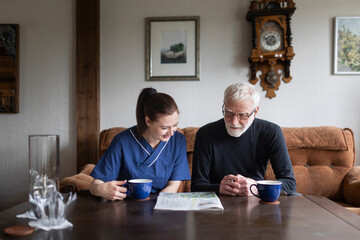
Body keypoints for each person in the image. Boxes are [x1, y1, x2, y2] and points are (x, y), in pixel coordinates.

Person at [191, 83, 296, 196]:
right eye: (229, 113)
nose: (234, 122)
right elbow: (197, 186)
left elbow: (290, 184)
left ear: (255, 112)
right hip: (218, 200)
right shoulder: (205, 134)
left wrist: (257, 187)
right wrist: (219, 188)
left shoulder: (271, 132)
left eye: (242, 115)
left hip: (257, 199)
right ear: (224, 106)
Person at [90, 88, 190, 200]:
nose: (171, 132)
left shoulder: (178, 140)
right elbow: (95, 184)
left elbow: (173, 186)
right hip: (125, 205)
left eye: (175, 125)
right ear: (148, 121)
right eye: (164, 128)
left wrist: (158, 206)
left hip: (161, 203)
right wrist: (100, 189)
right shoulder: (122, 141)